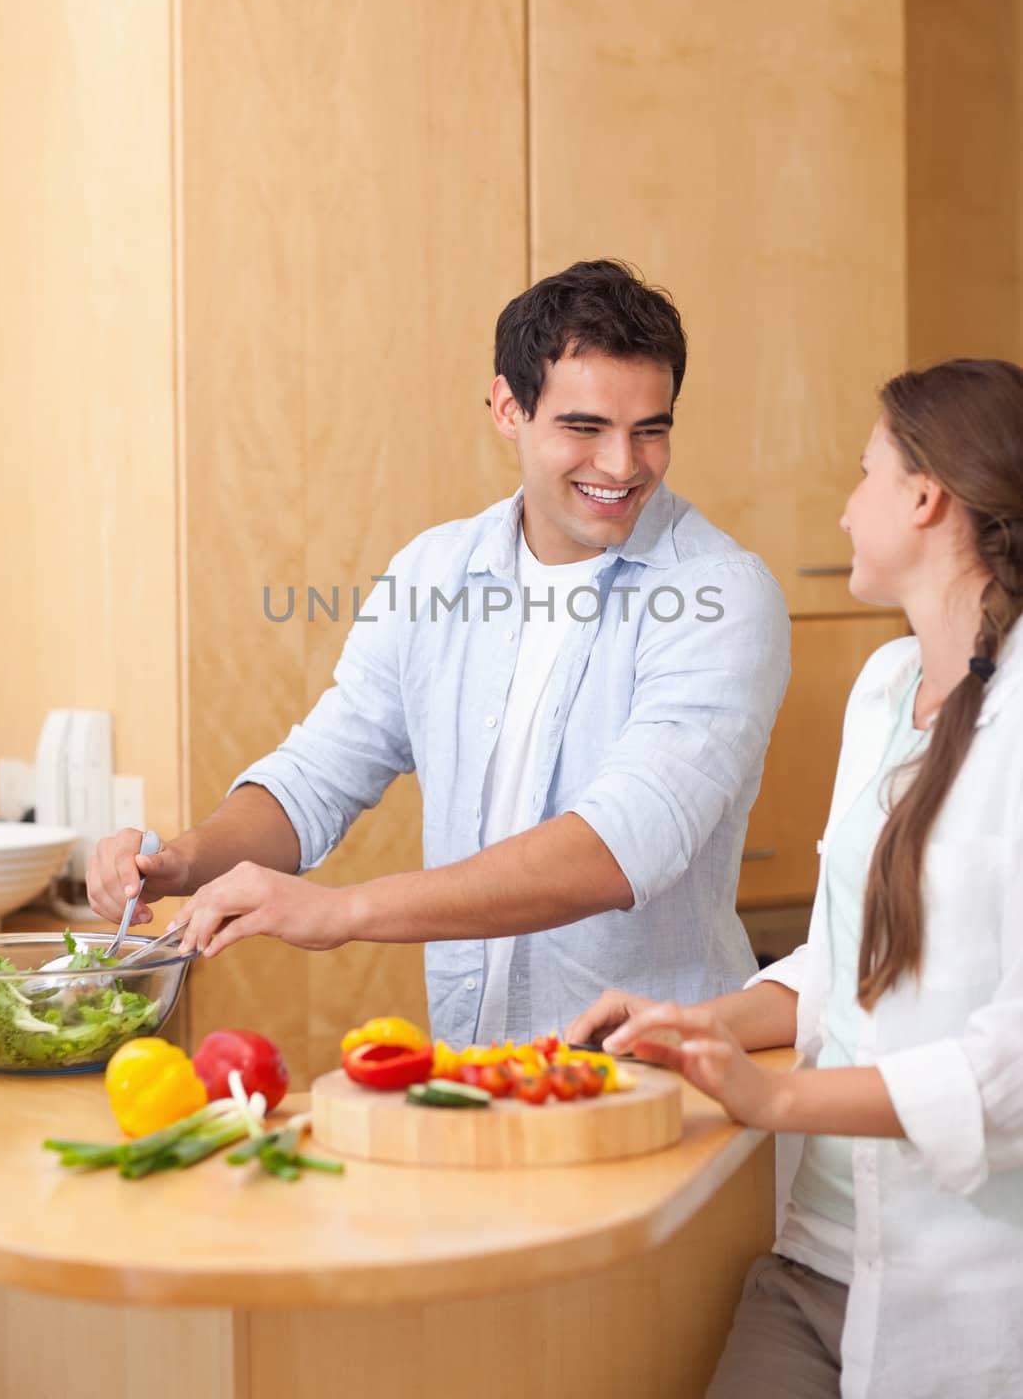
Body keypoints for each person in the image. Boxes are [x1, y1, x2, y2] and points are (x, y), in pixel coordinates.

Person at [87, 260, 789, 1045]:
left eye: (649, 430)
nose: (623, 466)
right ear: (507, 408)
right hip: (477, 1071)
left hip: (658, 1080)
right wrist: (184, 862)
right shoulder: (434, 573)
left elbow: (620, 848)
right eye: (584, 428)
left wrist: (345, 910)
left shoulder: (721, 594)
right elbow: (318, 774)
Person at [566, 358, 1023, 1399]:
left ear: (924, 497)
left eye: (863, 476)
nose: (841, 507)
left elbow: (1008, 1070)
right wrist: (706, 1022)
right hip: (816, 1254)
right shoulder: (881, 689)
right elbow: (849, 950)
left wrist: (774, 1097)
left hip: (964, 1294)